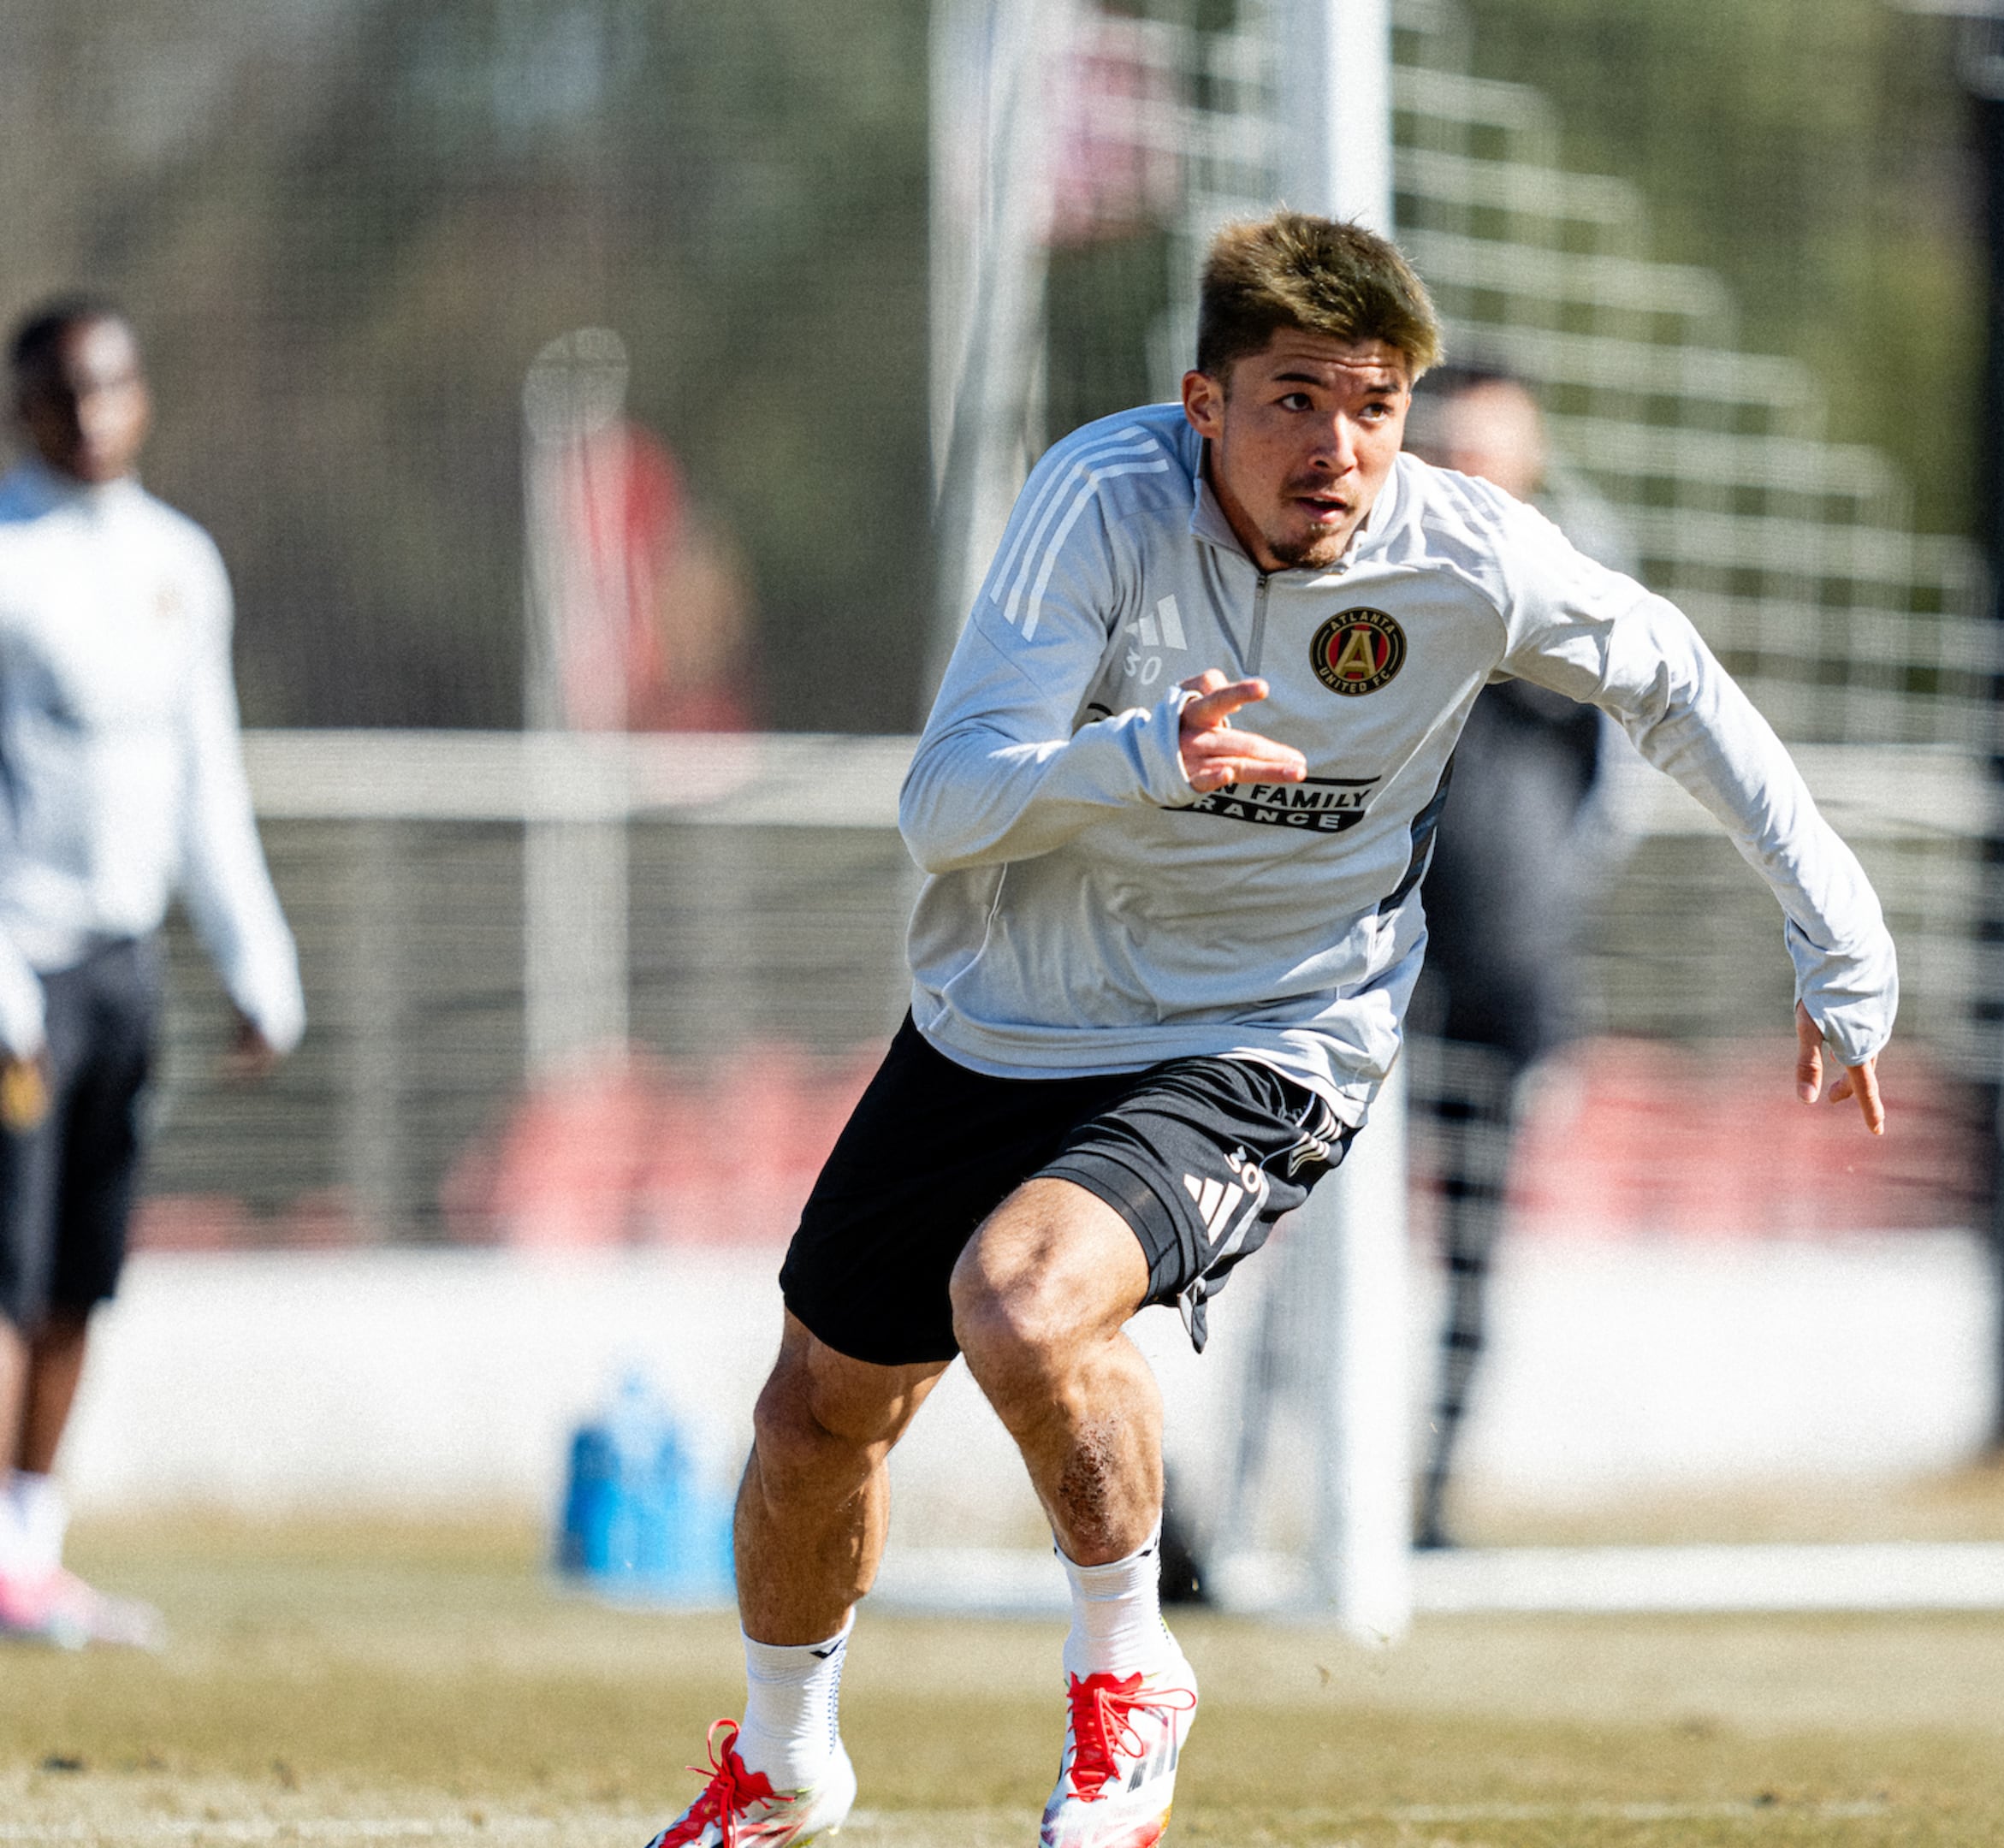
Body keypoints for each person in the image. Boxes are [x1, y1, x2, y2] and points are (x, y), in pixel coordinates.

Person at [645, 213, 1894, 1848]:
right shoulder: (1100, 502)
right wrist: (1136, 762)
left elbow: (1673, 680)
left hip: (1268, 1033)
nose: (1340, 446)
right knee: (817, 1413)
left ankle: (1128, 1687)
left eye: (1374, 403)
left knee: (1022, 1303)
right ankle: (788, 1760)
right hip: (1002, 1018)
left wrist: (1842, 934)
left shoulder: (1464, 551)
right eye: (1295, 398)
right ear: (1203, 404)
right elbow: (945, 808)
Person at [0, 298, 303, 1648]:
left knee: (79, 1272)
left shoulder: (181, 562)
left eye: (111, 385)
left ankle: (29, 1550)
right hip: (20, 961)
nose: (91, 413)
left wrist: (253, 957)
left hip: (123, 969)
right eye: (64, 392)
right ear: (26, 405)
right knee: (3, 1269)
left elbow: (203, 779)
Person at [1399, 365, 1627, 1550]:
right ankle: (1242, 1501)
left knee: (1473, 1251)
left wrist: (1550, 921)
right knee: (1299, 1241)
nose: (1473, 470)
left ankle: (1432, 1492)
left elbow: (1609, 792)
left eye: (1495, 448)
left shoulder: (1579, 596)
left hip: (1503, 973)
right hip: (1364, 976)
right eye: (1452, 448)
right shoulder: (1366, 587)